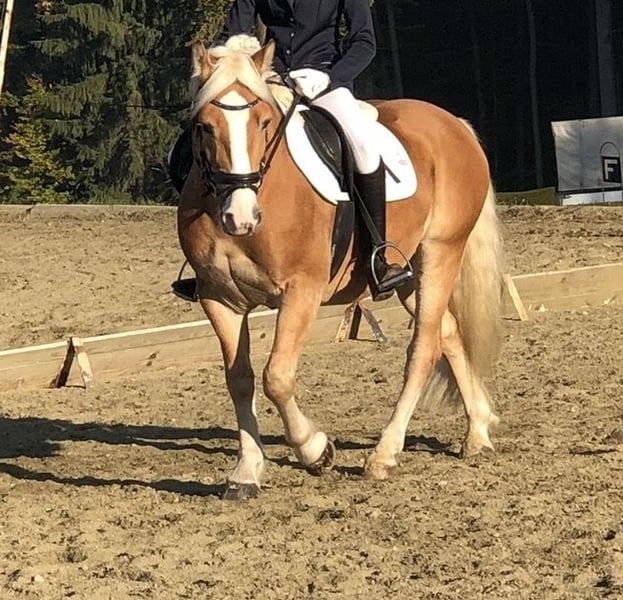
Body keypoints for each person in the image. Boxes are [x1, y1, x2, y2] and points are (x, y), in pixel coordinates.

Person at [171, 0, 413, 301]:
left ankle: (377, 255)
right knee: (188, 148)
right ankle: (206, 264)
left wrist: (330, 77)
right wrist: (225, 61)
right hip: (267, 81)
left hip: (324, 84)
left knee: (363, 148)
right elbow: (232, 33)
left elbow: (364, 43)